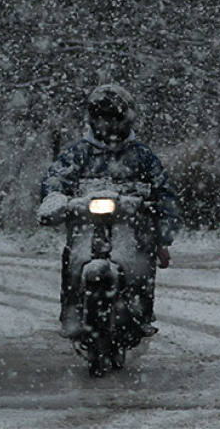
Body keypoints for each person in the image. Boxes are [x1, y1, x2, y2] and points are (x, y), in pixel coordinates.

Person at [37, 83, 180, 339]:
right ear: (92, 118)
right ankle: (70, 313)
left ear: (127, 118)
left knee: (143, 258)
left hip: (132, 229)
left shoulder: (142, 156)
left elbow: (164, 193)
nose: (109, 124)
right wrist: (54, 199)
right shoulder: (78, 153)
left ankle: (141, 314)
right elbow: (56, 179)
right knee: (73, 258)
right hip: (85, 227)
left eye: (114, 118)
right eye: (103, 118)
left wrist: (163, 234)